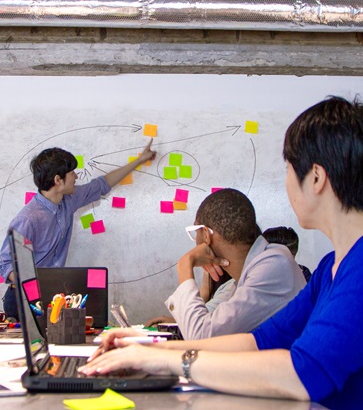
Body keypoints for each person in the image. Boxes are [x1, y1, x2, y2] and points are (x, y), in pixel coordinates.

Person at [79, 96, 363, 409]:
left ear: (317, 178)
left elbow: (302, 374)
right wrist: (147, 352)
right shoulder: (330, 269)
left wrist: (173, 361)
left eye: (288, 169)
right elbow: (258, 342)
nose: (286, 182)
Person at [0, 139, 156, 319]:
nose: (76, 177)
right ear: (58, 180)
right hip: (23, 301)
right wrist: (35, 287)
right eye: (72, 173)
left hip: (51, 297)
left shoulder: (68, 201)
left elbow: (102, 184)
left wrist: (140, 160)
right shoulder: (28, 219)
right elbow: (6, 265)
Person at [144, 189, 306, 340]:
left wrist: (184, 265)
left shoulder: (273, 264)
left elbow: (200, 335)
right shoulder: (249, 273)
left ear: (206, 235)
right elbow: (212, 323)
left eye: (196, 231)